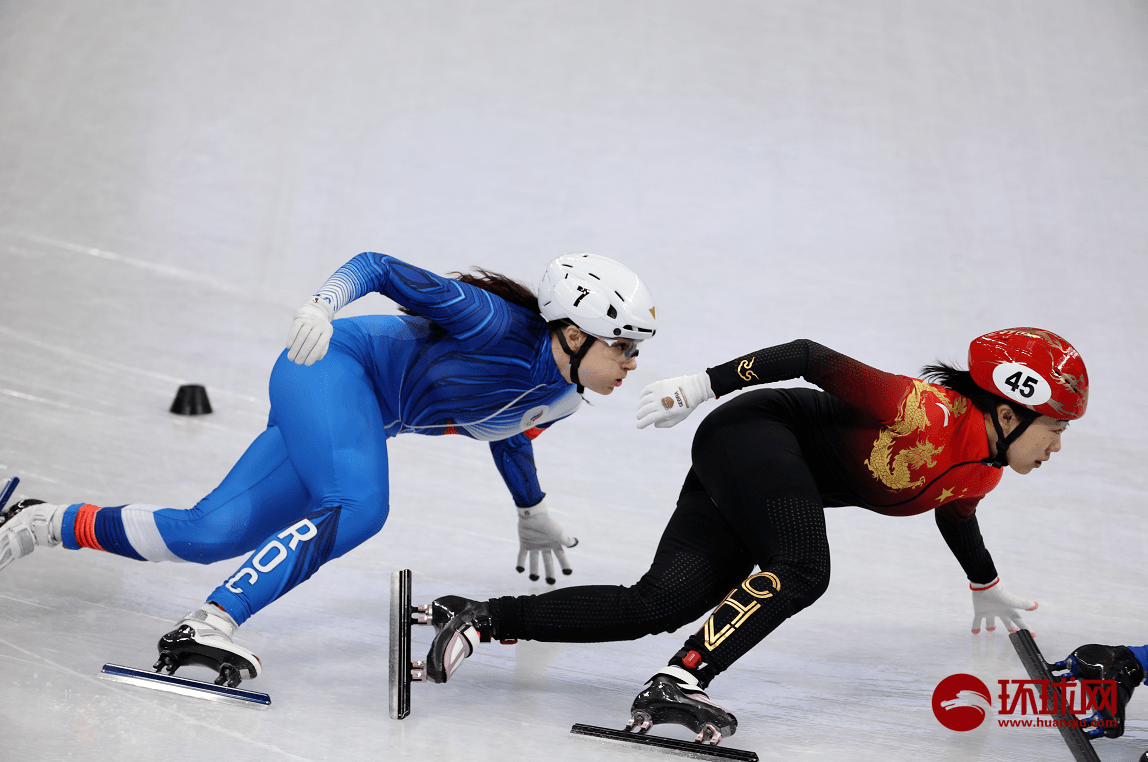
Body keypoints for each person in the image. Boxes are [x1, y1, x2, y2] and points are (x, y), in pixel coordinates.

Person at [0, 251, 657, 686]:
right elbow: (378, 266)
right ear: (573, 333)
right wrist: (323, 303)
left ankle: (43, 522)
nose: (630, 365)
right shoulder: (488, 321)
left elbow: (509, 432)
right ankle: (210, 623)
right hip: (330, 366)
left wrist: (530, 506)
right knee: (359, 505)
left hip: (358, 412)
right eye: (623, 347)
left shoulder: (565, 397)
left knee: (207, 533)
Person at [421, 328, 1089, 743]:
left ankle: (480, 618)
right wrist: (701, 386)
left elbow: (957, 510)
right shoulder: (925, 410)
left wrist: (985, 585)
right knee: (801, 567)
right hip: (758, 435)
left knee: (660, 602)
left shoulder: (985, 471)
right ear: (1008, 411)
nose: (1057, 447)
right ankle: (679, 679)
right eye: (1055, 429)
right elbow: (807, 356)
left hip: (761, 473)